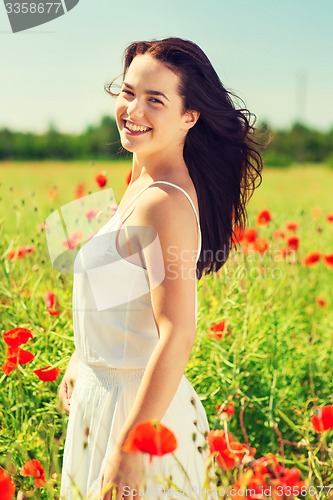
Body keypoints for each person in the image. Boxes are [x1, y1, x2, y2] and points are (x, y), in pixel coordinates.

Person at [59, 37, 263, 499]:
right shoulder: (141, 183)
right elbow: (121, 289)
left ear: (189, 116)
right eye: (129, 92)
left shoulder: (164, 202)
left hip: (137, 418)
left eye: (155, 100)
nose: (133, 109)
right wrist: (82, 359)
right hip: (107, 402)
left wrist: (129, 451)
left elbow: (178, 331)